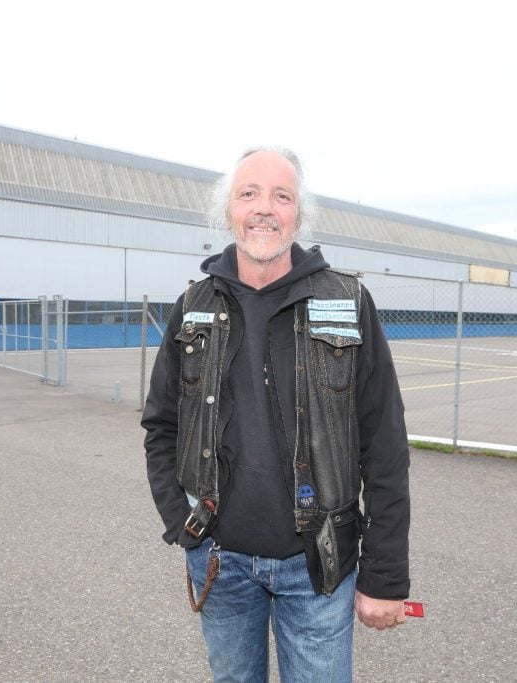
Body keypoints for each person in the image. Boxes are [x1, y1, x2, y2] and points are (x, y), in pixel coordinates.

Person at [142, 147, 411, 682]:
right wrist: (184, 523)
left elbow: (384, 444)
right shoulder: (193, 306)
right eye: (249, 194)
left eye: (281, 196)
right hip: (220, 561)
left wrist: (385, 575)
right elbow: (161, 427)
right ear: (228, 213)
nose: (264, 208)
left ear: (298, 215)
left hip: (319, 563)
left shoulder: (348, 301)